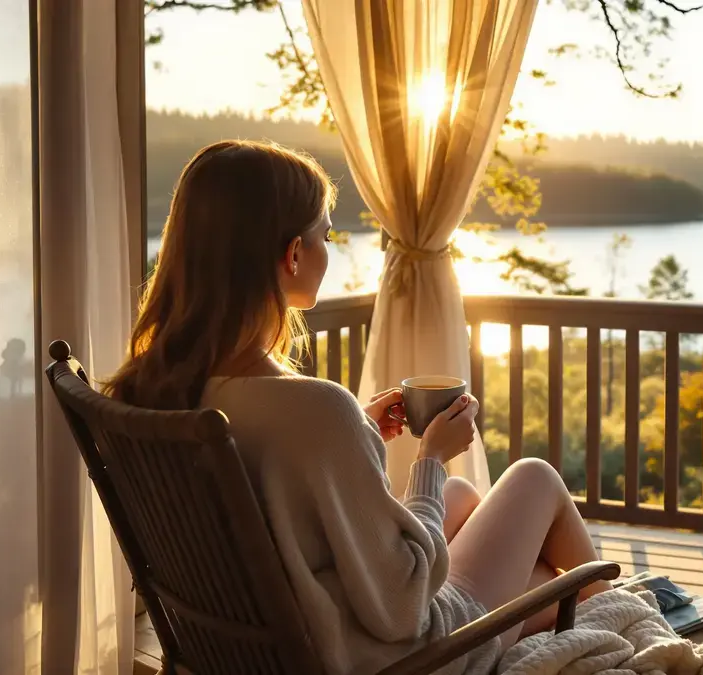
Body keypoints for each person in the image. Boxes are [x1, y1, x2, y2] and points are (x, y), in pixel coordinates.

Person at [104, 140, 611, 675]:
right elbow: (401, 610)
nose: (330, 249)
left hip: (273, 643)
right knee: (533, 481)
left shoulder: (150, 391)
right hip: (390, 658)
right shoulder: (316, 412)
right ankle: (632, 615)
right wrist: (431, 460)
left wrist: (358, 433)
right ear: (293, 254)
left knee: (471, 506)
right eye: (326, 234)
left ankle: (591, 604)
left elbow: (272, 488)